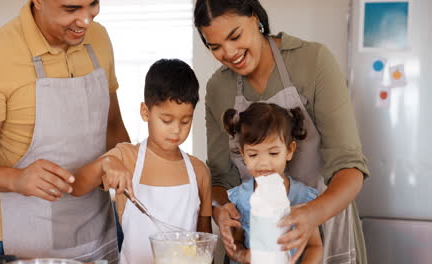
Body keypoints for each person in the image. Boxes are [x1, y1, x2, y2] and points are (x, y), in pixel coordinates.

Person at [193, 0, 370, 263]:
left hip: (327, 226)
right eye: (215, 47)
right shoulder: (219, 87)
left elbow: (350, 167)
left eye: (235, 35)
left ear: (255, 17)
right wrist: (220, 211)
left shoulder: (313, 62)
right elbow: (220, 179)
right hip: (260, 239)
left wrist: (312, 213)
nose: (229, 53)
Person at [0, 0, 130, 262]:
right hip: (29, 245)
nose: (86, 20)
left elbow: (113, 126)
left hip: (101, 235)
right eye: (71, 9)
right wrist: (16, 179)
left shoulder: (98, 38)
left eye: (93, 4)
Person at [71, 58, 213, 264]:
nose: (176, 129)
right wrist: (105, 164)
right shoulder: (125, 157)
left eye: (185, 121)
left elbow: (204, 241)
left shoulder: (199, 171)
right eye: (166, 120)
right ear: (145, 112)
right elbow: (76, 187)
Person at [222, 102, 323, 264]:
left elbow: (314, 246)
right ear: (243, 154)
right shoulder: (240, 198)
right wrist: (243, 255)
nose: (263, 163)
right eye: (253, 155)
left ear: (289, 151)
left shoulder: (303, 197)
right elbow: (236, 242)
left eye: (273, 153)